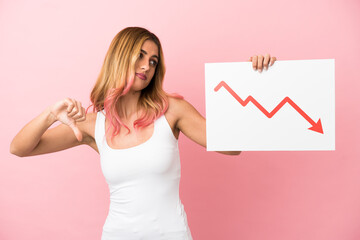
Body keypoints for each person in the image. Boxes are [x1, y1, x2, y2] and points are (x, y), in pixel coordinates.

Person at [10, 27, 277, 240]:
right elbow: (19, 148)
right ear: (119, 56)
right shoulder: (93, 125)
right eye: (139, 55)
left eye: (153, 61)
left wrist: (255, 82)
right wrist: (50, 115)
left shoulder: (172, 111)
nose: (147, 66)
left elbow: (232, 147)